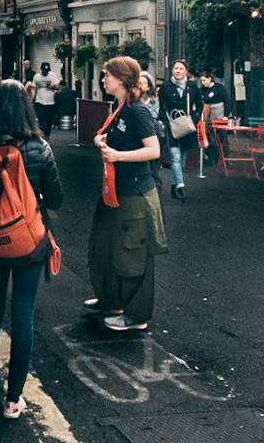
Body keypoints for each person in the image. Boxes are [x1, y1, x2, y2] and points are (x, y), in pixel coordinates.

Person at [0, 80, 63, 421]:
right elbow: (57, 198)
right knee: (23, 316)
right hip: (28, 242)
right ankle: (13, 399)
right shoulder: (38, 146)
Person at [86, 56, 167, 333]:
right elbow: (122, 138)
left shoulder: (137, 111)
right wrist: (103, 140)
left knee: (133, 255)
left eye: (107, 75)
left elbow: (153, 150)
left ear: (121, 79)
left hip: (134, 194)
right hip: (115, 191)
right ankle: (112, 301)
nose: (103, 79)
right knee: (106, 248)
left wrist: (118, 155)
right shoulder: (120, 107)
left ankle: (136, 315)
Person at [156, 59, 201, 202]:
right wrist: (167, 122)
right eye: (176, 68)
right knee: (175, 156)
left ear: (186, 71)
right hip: (173, 126)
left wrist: (194, 118)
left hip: (188, 126)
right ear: (172, 70)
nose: (178, 71)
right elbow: (161, 108)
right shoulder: (166, 86)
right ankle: (181, 185)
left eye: (181, 68)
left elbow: (200, 105)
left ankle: (175, 185)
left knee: (182, 159)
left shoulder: (193, 86)